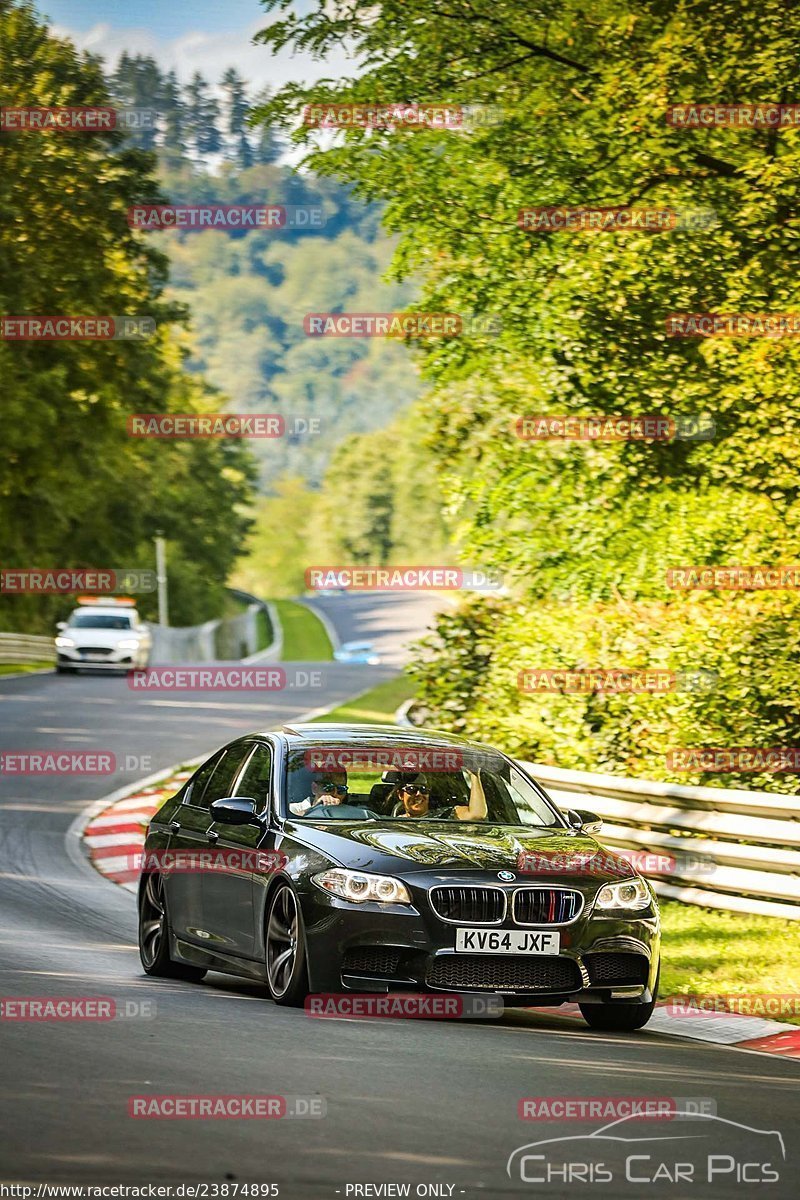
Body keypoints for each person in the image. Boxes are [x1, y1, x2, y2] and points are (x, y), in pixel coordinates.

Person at [390, 770, 487, 821]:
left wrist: (474, 776)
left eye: (424, 790)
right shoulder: (393, 823)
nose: (418, 794)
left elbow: (477, 814)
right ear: (401, 795)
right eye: (412, 790)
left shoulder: (447, 814)